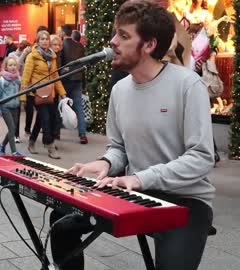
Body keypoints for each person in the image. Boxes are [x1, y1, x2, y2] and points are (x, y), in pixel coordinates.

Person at [51, 2, 215, 270]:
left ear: (149, 45)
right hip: (136, 191)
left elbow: (201, 157)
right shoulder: (120, 90)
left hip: (187, 199)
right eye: (116, 33)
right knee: (61, 226)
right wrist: (105, 162)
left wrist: (140, 178)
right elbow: (119, 148)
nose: (113, 42)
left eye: (124, 36)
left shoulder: (188, 85)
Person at [21, 30, 66, 159]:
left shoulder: (52, 57)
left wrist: (62, 93)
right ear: (38, 41)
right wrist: (23, 97)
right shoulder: (32, 56)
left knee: (42, 120)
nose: (45, 41)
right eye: (42, 39)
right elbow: (25, 78)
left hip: (50, 93)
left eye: (47, 39)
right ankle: (50, 146)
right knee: (45, 119)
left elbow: (55, 76)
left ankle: (32, 141)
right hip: (37, 94)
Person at [60, 24, 89, 144]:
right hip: (77, 79)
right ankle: (82, 134)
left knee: (62, 105)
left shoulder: (61, 47)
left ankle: (56, 133)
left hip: (65, 80)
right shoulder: (79, 46)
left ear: (62, 33)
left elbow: (60, 65)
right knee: (79, 107)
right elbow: (83, 65)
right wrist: (83, 83)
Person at [0, 56, 22, 156]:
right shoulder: (2, 80)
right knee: (12, 129)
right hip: (5, 107)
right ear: (6, 67)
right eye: (10, 65)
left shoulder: (18, 78)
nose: (13, 67)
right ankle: (14, 151)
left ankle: (2, 144)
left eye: (14, 65)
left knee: (13, 129)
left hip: (15, 106)